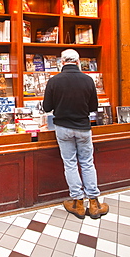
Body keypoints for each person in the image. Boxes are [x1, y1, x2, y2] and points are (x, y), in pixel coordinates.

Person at [43, 49, 109, 220]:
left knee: (70, 164)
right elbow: (93, 107)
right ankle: (94, 203)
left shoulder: (54, 81)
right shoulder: (88, 80)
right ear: (78, 62)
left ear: (62, 62)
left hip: (63, 128)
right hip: (83, 128)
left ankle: (78, 203)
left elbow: (47, 108)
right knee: (87, 162)